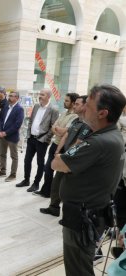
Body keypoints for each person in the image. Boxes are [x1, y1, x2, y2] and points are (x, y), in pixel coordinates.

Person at [51, 84, 126, 276]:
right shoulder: (112, 135)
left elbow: (57, 164)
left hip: (82, 218)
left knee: (78, 269)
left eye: (89, 105)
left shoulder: (98, 142)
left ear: (102, 113)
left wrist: (69, 153)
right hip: (92, 213)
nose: (83, 108)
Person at [40, 95, 91, 217]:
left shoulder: (87, 124)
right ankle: (54, 207)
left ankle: (69, 215)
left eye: (77, 104)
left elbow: (78, 142)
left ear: (85, 106)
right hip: (65, 155)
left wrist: (66, 156)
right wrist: (58, 151)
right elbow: (66, 135)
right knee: (56, 184)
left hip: (73, 159)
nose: (74, 105)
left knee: (69, 188)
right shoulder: (76, 120)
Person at [32, 92, 78, 195]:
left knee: (58, 172)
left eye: (67, 101)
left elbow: (64, 132)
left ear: (73, 103)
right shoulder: (64, 113)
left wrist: (58, 129)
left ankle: (54, 194)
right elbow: (53, 127)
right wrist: (58, 129)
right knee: (48, 169)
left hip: (63, 146)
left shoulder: (74, 117)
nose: (64, 102)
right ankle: (46, 190)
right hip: (55, 143)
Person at [16, 89, 58, 189]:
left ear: (48, 97)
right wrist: (29, 134)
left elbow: (53, 127)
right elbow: (31, 121)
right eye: (40, 94)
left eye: (42, 95)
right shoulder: (36, 106)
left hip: (42, 141)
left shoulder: (53, 109)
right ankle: (26, 180)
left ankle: (36, 183)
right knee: (27, 160)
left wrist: (45, 138)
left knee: (40, 163)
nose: (40, 96)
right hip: (31, 139)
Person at [0, 91, 24, 181]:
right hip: (2, 135)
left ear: (17, 98)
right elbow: (1, 120)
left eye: (12, 96)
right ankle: (2, 171)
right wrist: (0, 131)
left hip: (12, 136)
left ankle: (13, 175)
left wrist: (6, 132)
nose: (9, 97)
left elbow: (17, 124)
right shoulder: (6, 106)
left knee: (14, 156)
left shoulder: (19, 109)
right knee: (2, 154)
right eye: (9, 96)